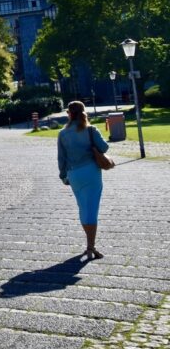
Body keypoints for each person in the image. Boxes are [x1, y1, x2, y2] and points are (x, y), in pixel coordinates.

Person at [58, 100, 110, 259]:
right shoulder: (90, 130)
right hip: (91, 172)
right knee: (92, 209)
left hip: (73, 174)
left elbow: (61, 158)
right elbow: (104, 147)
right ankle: (90, 247)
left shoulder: (62, 134)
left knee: (83, 208)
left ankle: (90, 245)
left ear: (69, 114)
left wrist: (63, 176)